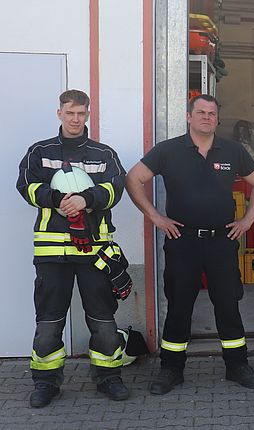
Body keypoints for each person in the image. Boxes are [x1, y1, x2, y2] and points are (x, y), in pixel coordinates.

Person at [125, 94, 254, 395]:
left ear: (217, 118)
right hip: (183, 241)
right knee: (179, 306)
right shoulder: (168, 150)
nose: (206, 117)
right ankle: (171, 370)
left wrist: (248, 219)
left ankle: (237, 366)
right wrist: (156, 217)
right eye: (200, 112)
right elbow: (133, 179)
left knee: (228, 305)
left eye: (212, 113)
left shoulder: (232, 151)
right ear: (189, 117)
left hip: (222, 241)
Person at [16, 89, 129, 407]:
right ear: (59, 114)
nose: (75, 119)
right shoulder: (40, 151)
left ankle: (109, 377)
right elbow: (26, 184)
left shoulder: (103, 153)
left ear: (88, 114)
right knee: (49, 320)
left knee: (103, 317)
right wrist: (56, 199)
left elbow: (116, 186)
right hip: (52, 252)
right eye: (70, 113)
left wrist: (87, 199)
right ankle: (45, 382)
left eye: (81, 113)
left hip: (94, 251)